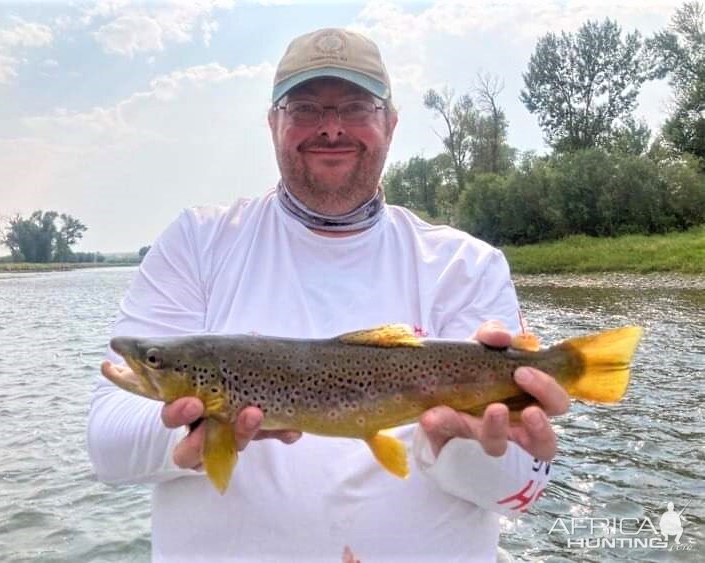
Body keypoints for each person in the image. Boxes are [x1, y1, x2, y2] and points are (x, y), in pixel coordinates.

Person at [88, 27, 569, 562]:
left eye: (357, 107)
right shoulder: (197, 243)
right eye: (306, 108)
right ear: (273, 122)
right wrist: (203, 428)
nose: (332, 128)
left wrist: (461, 441)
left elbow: (516, 491)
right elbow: (106, 448)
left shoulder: (467, 264)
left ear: (391, 122)